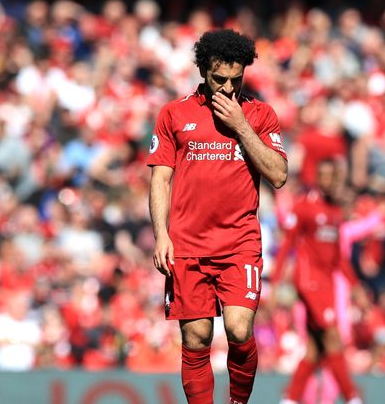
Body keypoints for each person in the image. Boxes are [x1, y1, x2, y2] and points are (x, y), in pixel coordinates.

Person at [148, 29, 288, 404]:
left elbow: (278, 175)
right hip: (188, 245)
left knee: (240, 330)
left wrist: (241, 126)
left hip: (239, 243)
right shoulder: (175, 114)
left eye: (236, 80)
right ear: (203, 72)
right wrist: (161, 234)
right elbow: (160, 177)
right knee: (196, 339)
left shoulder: (259, 114)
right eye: (219, 79)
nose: (227, 87)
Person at [270, 160, 362, 404]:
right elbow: (287, 244)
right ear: (317, 178)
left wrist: (355, 285)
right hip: (309, 280)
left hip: (327, 282)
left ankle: (290, 398)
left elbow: (337, 257)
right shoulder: (304, 207)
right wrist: (275, 283)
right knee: (333, 336)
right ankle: (353, 397)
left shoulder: (336, 212)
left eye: (332, 177)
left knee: (315, 347)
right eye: (324, 176)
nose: (328, 182)